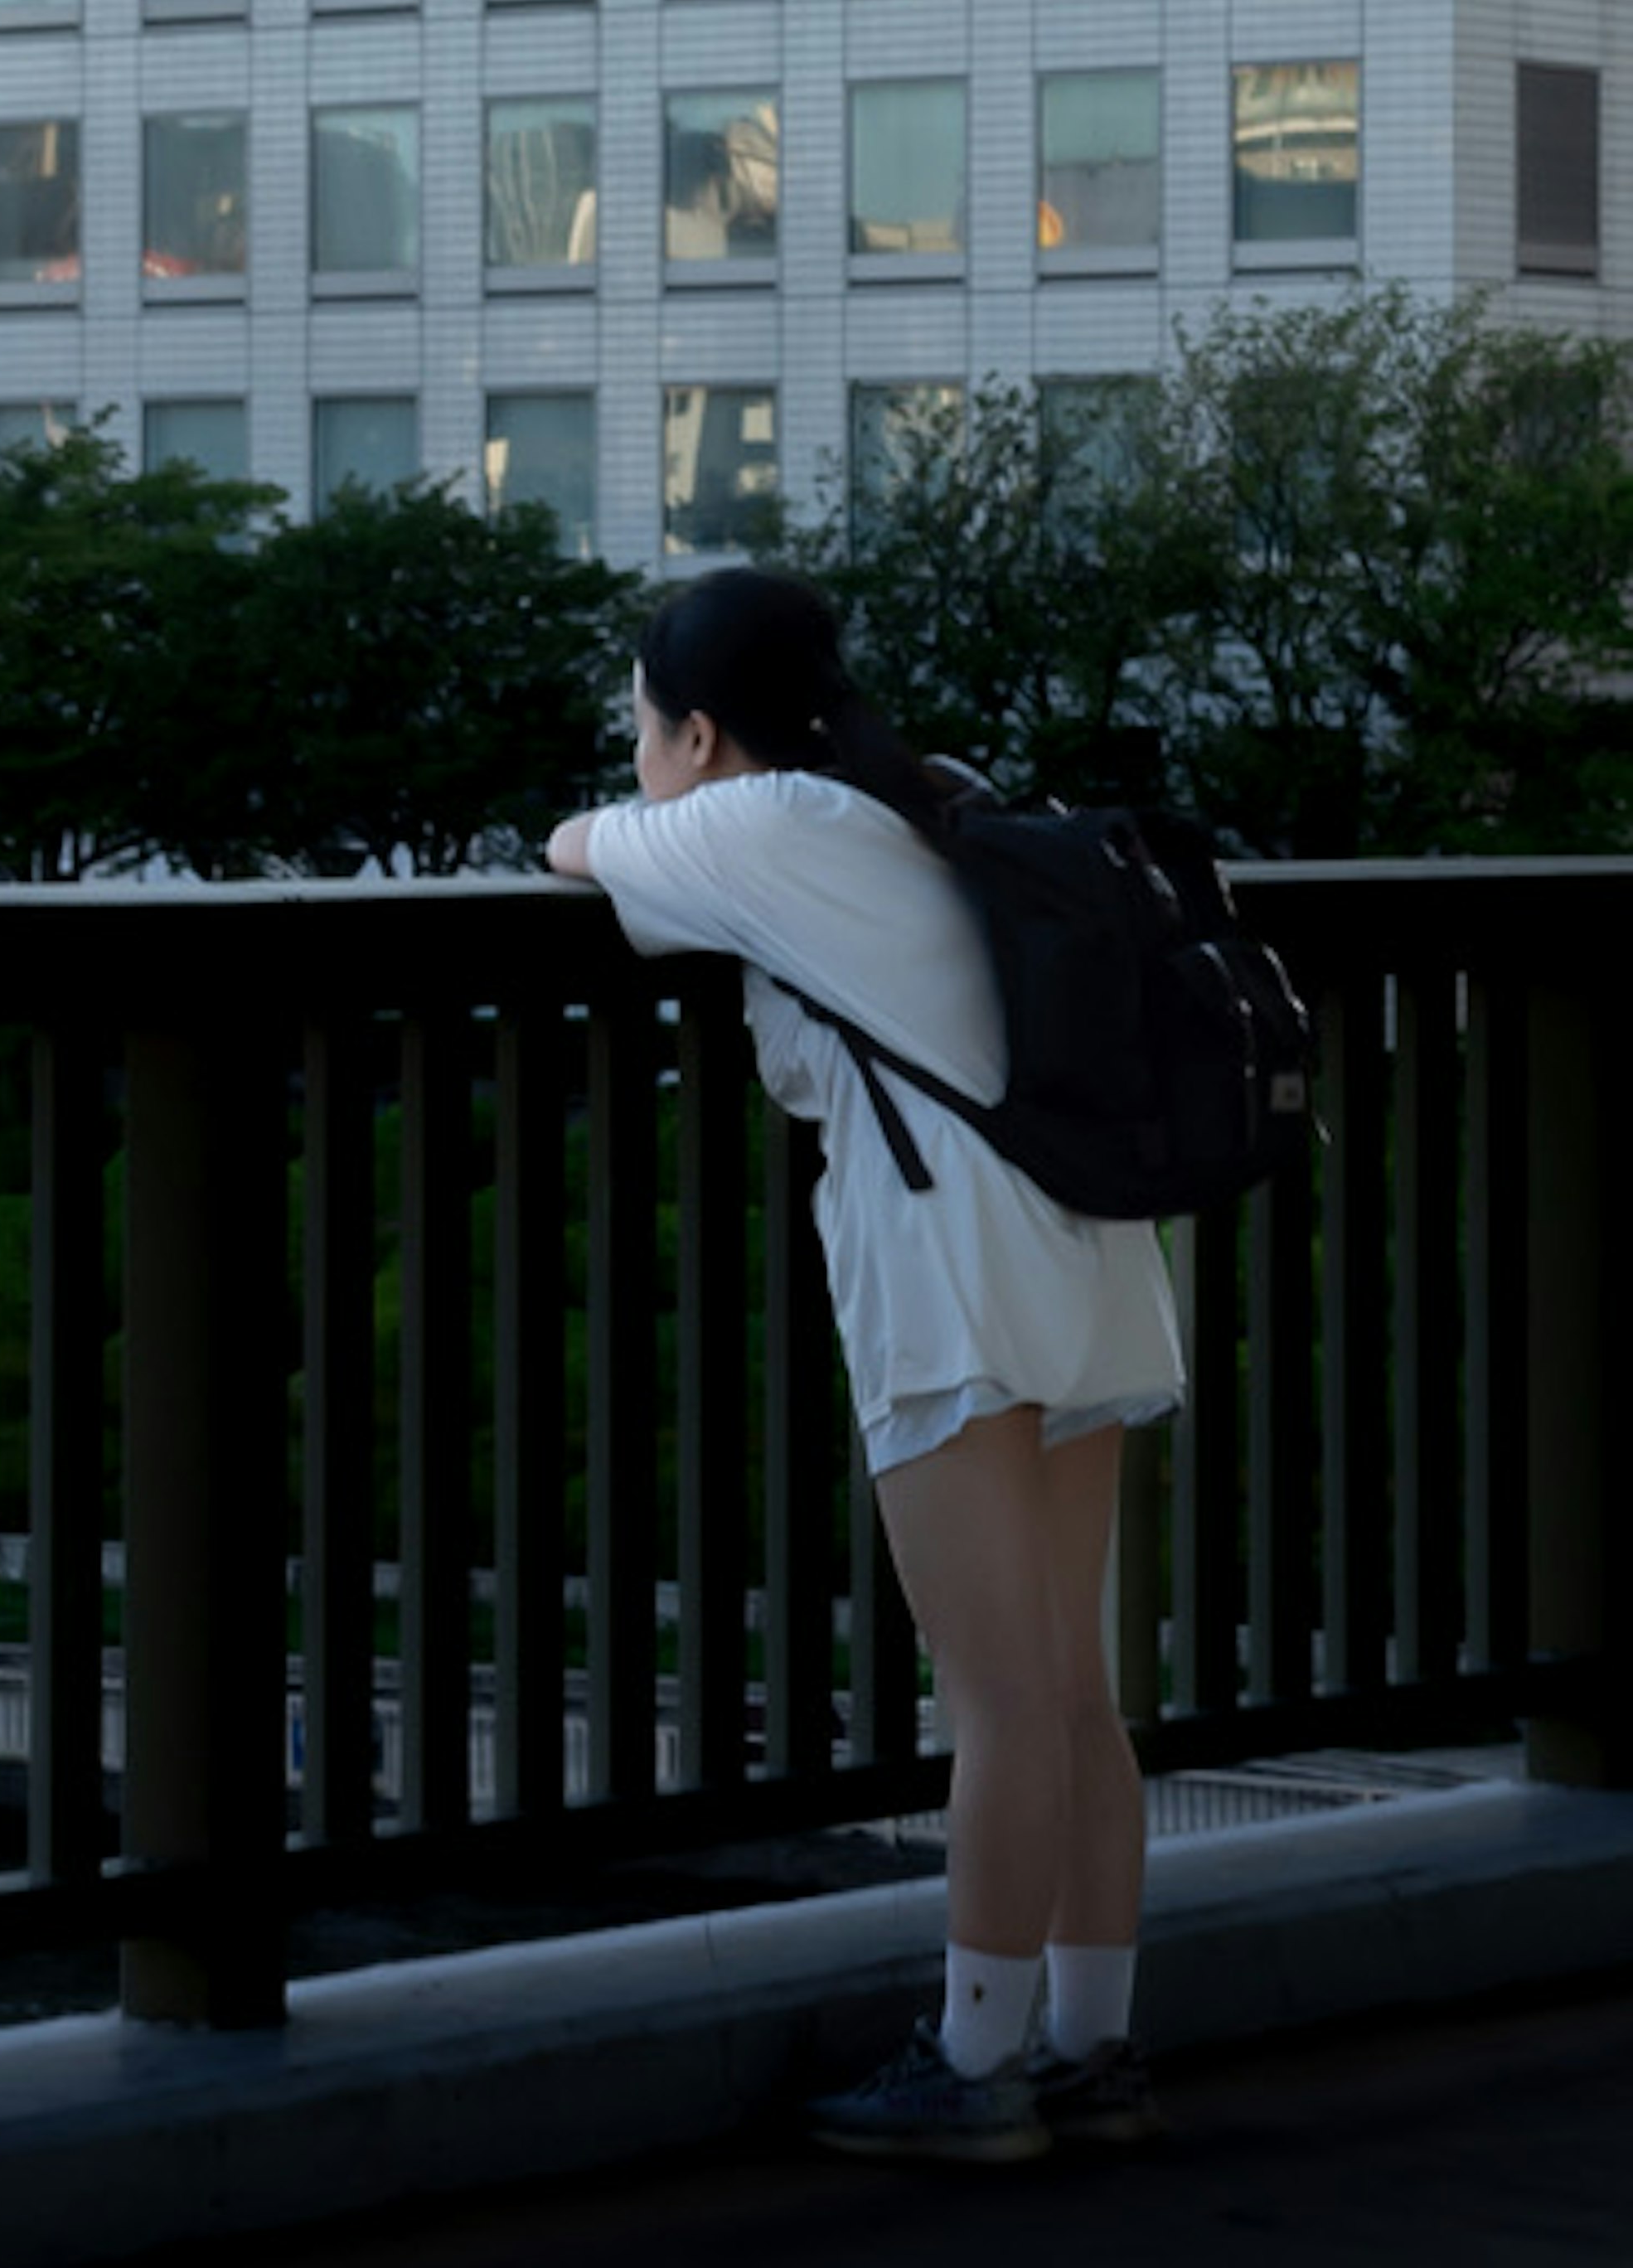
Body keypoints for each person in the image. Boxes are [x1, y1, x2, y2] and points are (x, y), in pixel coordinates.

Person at [546, 565, 1181, 2166]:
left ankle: (973, 2067)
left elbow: (574, 850)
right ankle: (1092, 2050)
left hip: (950, 1272)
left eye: (643, 729)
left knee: (998, 1698)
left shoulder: (752, 829)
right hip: (1088, 1240)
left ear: (697, 732)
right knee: (1076, 1688)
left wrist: (636, 811)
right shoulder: (926, 800)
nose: (638, 759)